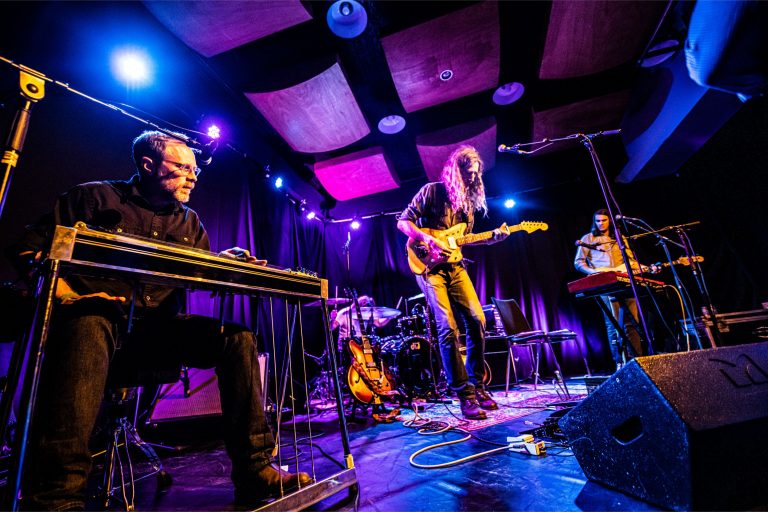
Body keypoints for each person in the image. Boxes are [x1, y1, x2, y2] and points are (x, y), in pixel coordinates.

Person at [6, 131, 311, 510]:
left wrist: (225, 263)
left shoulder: (190, 223)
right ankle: (56, 498)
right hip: (93, 331)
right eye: (183, 167)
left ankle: (255, 470)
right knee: (91, 317)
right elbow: (28, 247)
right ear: (148, 165)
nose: (193, 176)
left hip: (155, 335)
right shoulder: (94, 197)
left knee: (238, 338)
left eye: (196, 170)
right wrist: (70, 296)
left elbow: (199, 276)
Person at [396, 145, 508, 420]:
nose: (472, 179)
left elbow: (460, 242)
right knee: (447, 327)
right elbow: (403, 223)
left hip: (456, 268)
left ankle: (478, 385)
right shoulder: (432, 191)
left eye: (476, 174)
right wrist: (428, 239)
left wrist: (491, 239)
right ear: (455, 170)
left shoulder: (467, 206)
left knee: (477, 319)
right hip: (428, 268)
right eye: (468, 173)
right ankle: (464, 396)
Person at [574, 209, 644, 370]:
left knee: (633, 321)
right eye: (597, 221)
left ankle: (638, 361)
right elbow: (579, 263)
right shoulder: (588, 238)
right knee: (613, 323)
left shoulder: (619, 238)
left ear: (610, 221)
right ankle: (619, 363)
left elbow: (631, 260)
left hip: (624, 281)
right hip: (604, 283)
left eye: (603, 220)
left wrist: (629, 267)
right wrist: (595, 273)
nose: (600, 224)